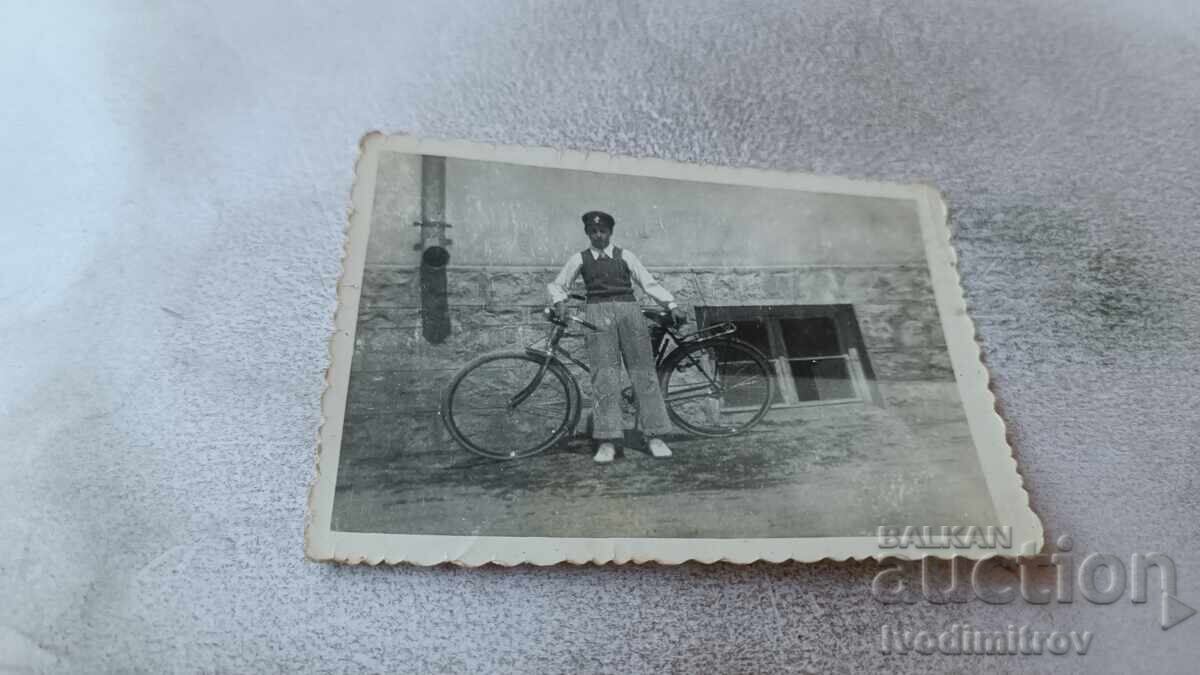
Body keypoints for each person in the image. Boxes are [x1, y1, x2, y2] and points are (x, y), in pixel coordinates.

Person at [547, 210, 687, 464]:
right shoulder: (580, 259)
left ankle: (655, 436)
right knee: (604, 375)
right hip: (597, 314)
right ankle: (608, 440)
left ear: (610, 233)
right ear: (588, 233)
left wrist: (671, 303)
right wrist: (560, 302)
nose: (598, 235)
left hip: (629, 312)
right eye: (593, 231)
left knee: (642, 372)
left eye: (602, 231)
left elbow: (649, 283)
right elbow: (558, 285)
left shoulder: (626, 256)